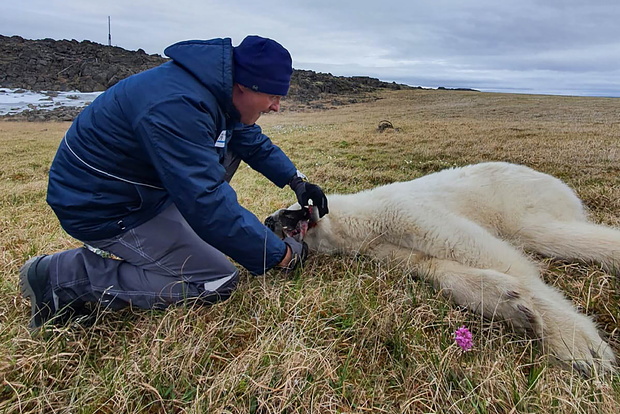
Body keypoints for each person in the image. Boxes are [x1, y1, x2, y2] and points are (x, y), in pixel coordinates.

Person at [19, 35, 329, 328]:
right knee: (216, 279)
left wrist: (297, 181)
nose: (276, 106)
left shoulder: (216, 93)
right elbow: (205, 200)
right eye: (273, 96)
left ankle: (182, 236)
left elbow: (249, 141)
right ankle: (63, 277)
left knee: (232, 147)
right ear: (244, 86)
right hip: (103, 205)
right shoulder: (177, 106)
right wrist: (280, 255)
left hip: (137, 191)